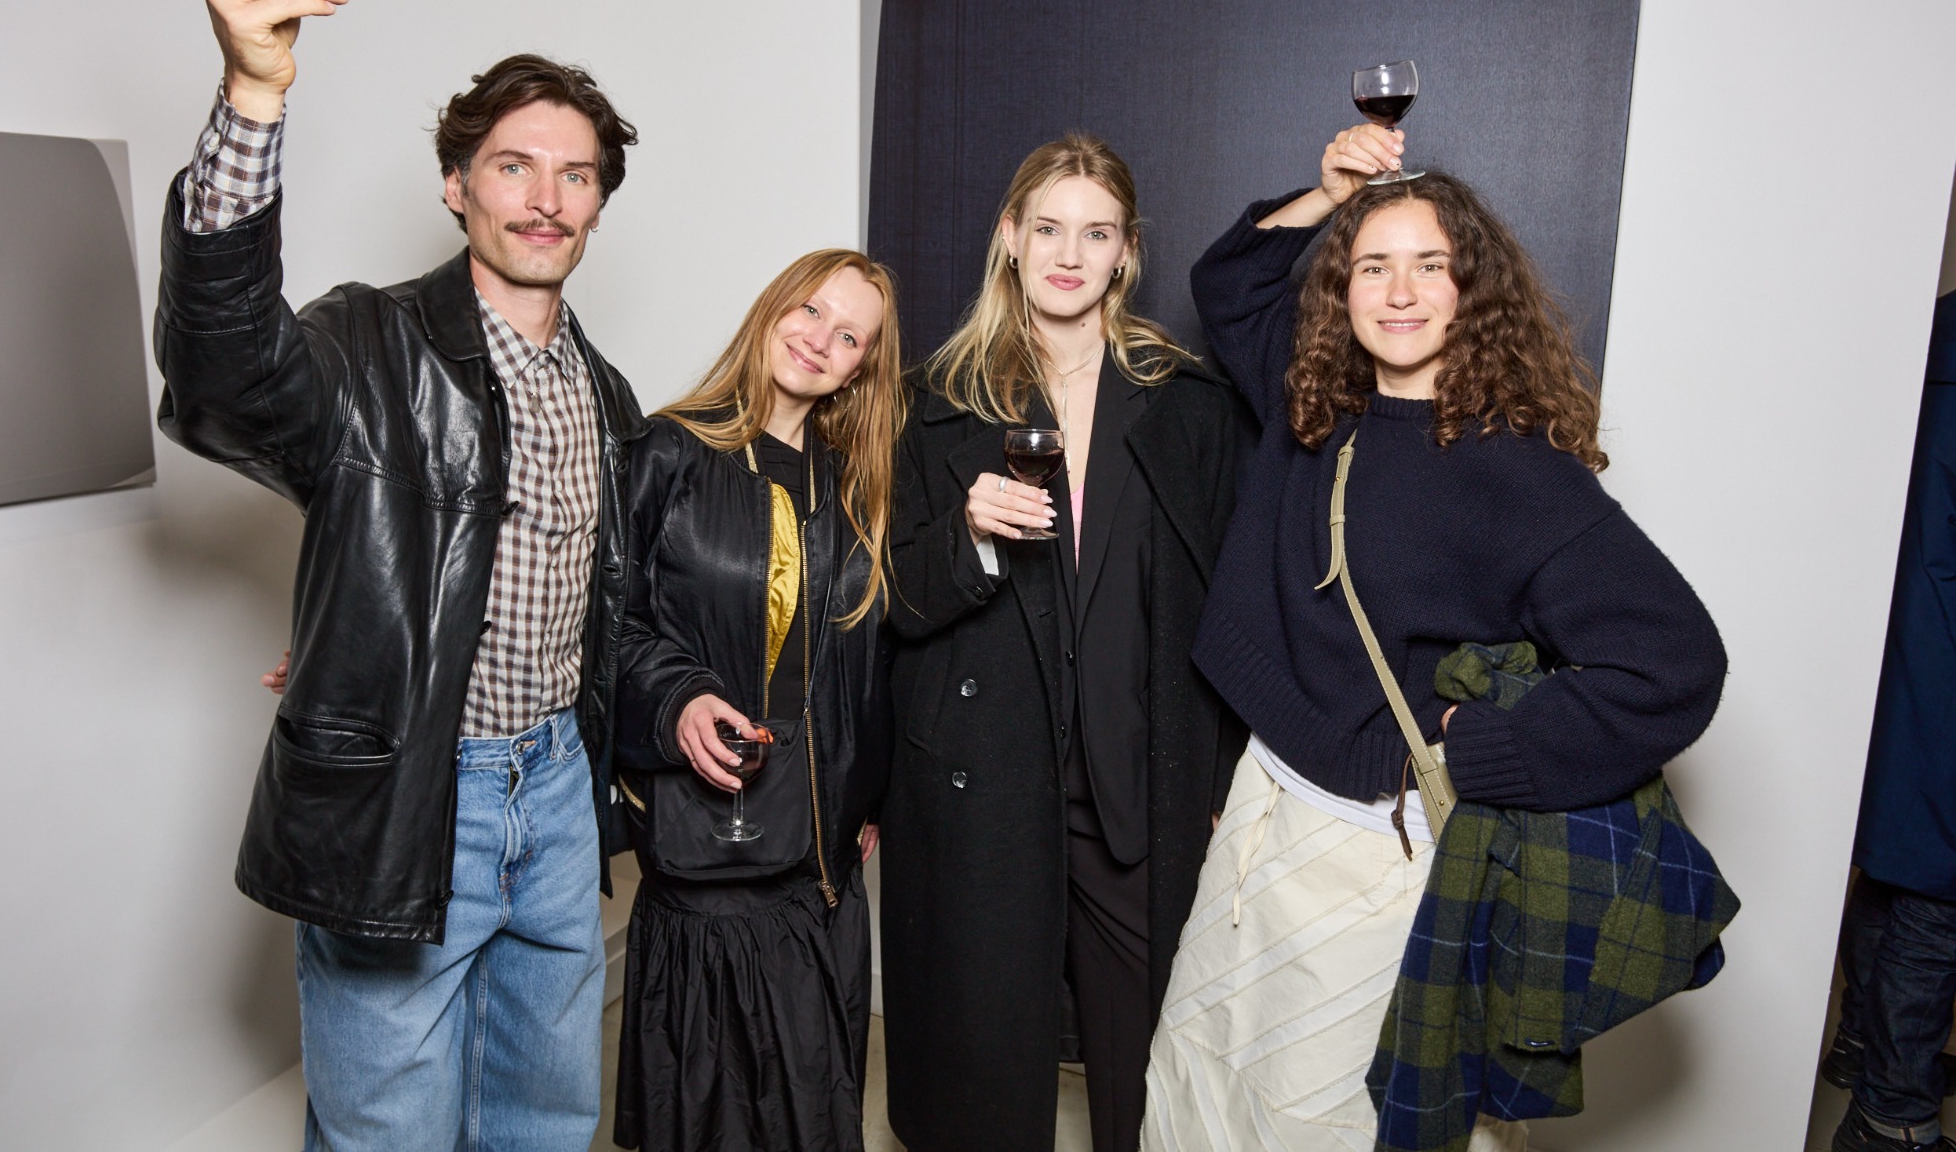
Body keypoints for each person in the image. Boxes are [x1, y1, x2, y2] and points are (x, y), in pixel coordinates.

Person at [1141, 127, 1727, 1149]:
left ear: (1472, 290)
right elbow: (1226, 283)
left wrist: (1492, 748)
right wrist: (1327, 196)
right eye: (1372, 265)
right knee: (1196, 1081)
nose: (1400, 292)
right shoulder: (1312, 395)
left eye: (1429, 265)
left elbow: (1676, 661)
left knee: (1309, 1123)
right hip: (1261, 801)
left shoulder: (1515, 469)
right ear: (1341, 288)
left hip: (1379, 852)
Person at [157, 0, 642, 1150]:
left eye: (575, 174)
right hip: (414, 791)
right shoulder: (368, 342)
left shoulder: (608, 393)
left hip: (558, 789)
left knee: (544, 1117)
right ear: (455, 182)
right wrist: (252, 97)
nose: (545, 198)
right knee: (386, 1130)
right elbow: (224, 382)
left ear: (598, 201)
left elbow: (603, 598)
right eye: (513, 166)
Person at [880, 134, 1248, 1152]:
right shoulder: (929, 400)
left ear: (1126, 252)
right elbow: (889, 604)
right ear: (1010, 237)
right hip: (985, 795)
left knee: (1148, 1082)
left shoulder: (1187, 403)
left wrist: (1217, 774)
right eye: (1048, 228)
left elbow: (1229, 604)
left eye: (1095, 233)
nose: (1069, 255)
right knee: (984, 1086)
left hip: (1136, 794)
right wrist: (967, 536)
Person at [607, 249, 905, 1152]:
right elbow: (600, 627)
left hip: (821, 874)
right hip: (710, 863)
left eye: (848, 335)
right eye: (810, 310)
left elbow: (870, 663)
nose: (819, 340)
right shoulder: (667, 452)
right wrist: (677, 699)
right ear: (773, 308)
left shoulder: (856, 487)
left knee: (813, 1114)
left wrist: (868, 791)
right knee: (715, 1118)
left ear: (861, 368)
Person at [1823, 291, 1956, 1152]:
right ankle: (1893, 1112)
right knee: (1941, 889)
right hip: (1942, 650)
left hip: (1893, 641)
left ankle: (1862, 1044)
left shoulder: (1925, 323)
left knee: (1898, 863)